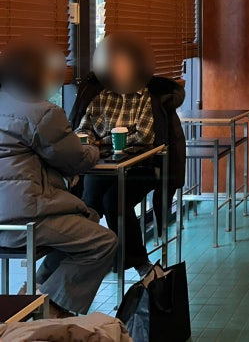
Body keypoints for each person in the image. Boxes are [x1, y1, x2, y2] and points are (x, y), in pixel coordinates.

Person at [0, 38, 118, 317]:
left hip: (8, 217)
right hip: (25, 218)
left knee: (85, 221)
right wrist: (93, 149)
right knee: (103, 242)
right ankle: (50, 306)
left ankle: (36, 290)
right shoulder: (42, 112)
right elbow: (74, 158)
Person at [70, 34, 186, 277]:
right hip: (103, 167)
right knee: (89, 201)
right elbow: (83, 128)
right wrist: (95, 141)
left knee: (114, 200)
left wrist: (103, 141)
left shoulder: (146, 97)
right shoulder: (101, 96)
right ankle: (86, 258)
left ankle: (135, 261)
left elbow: (144, 136)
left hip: (140, 168)